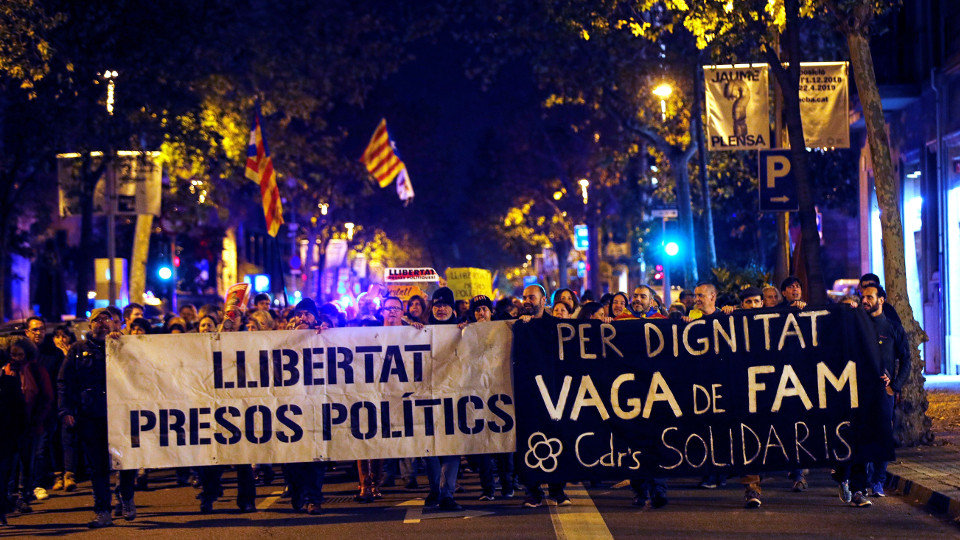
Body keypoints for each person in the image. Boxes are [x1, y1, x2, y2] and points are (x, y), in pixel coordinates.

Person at [59, 308, 136, 528]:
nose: (102, 324)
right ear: (90, 325)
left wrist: (122, 343)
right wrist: (65, 410)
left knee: (127, 461)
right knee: (98, 466)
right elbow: (65, 382)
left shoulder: (123, 345)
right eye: (97, 320)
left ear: (115, 324)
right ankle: (103, 511)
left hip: (121, 413)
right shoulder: (77, 349)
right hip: (91, 414)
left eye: (107, 320)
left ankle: (127, 496)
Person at [196, 311, 257, 514]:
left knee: (243, 457)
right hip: (213, 406)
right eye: (227, 319)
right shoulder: (200, 345)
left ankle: (247, 500)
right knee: (212, 457)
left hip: (240, 406)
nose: (230, 322)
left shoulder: (246, 341)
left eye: (235, 318)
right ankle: (209, 495)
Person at [517, 284, 571, 508]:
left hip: (554, 391)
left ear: (544, 300)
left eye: (532, 297)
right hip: (527, 392)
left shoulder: (556, 326)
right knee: (529, 439)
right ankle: (533, 490)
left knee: (557, 436)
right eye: (524, 297)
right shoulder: (517, 325)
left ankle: (557, 490)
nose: (527, 301)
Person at [463, 295, 516, 501]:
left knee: (505, 442)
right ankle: (487, 489)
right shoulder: (467, 331)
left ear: (491, 311)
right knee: (483, 444)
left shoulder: (502, 329)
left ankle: (507, 484)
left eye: (484, 309)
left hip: (501, 394)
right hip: (477, 395)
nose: (481, 313)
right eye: (477, 310)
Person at [861, 284, 909, 499]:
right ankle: (861, 481)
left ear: (881, 300)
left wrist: (894, 386)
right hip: (860, 392)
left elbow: (906, 359)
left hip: (883, 393)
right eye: (863, 297)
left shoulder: (893, 328)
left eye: (869, 297)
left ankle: (878, 481)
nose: (865, 301)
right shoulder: (857, 326)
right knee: (861, 436)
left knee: (883, 436)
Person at [424, 287, 464, 511]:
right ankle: (435, 490)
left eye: (445, 305)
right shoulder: (420, 330)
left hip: (454, 397)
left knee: (452, 445)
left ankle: (446, 493)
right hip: (427, 396)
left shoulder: (463, 329)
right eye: (437, 305)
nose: (441, 309)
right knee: (428, 446)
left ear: (452, 307)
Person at [6, 337, 53, 513]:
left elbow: (46, 397)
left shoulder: (36, 370)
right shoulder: (7, 370)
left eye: (19, 354)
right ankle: (10, 496)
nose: (16, 358)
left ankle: (23, 495)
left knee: (28, 461)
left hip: (31, 423)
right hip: (11, 425)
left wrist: (37, 421)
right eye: (13, 354)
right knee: (10, 462)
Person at [0, 348, 26, 525]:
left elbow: (19, 410)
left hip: (5, 436)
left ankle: (1, 508)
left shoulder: (10, 382)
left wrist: (18, 434)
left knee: (3, 474)